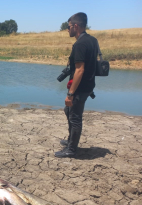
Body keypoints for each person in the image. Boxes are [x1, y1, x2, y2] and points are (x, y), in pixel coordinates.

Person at [55, 12, 98, 158]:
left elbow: (80, 69)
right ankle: (70, 141)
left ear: (76, 26)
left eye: (68, 27)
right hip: (88, 85)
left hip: (80, 88)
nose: (67, 30)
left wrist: (71, 93)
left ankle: (71, 150)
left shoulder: (80, 43)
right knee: (69, 111)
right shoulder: (92, 40)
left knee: (75, 117)